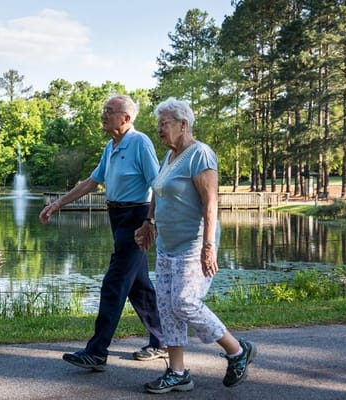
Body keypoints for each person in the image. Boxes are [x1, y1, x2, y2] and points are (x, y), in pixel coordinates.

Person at [134, 97, 256, 394]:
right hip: (167, 243)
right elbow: (158, 190)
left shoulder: (200, 154)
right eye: (159, 124)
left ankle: (237, 351)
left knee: (185, 302)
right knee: (166, 307)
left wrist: (209, 245)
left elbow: (211, 201)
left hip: (194, 242)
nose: (159, 130)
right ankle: (177, 372)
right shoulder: (170, 156)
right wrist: (149, 221)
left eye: (164, 124)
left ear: (182, 124)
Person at [39, 94, 166, 371]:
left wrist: (150, 222)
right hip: (116, 216)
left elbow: (157, 184)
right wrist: (57, 204)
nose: (104, 115)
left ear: (126, 118)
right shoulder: (111, 146)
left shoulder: (140, 142)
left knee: (114, 283)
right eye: (104, 110)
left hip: (136, 218)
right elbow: (91, 182)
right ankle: (162, 340)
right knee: (138, 285)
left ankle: (97, 352)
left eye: (109, 111)